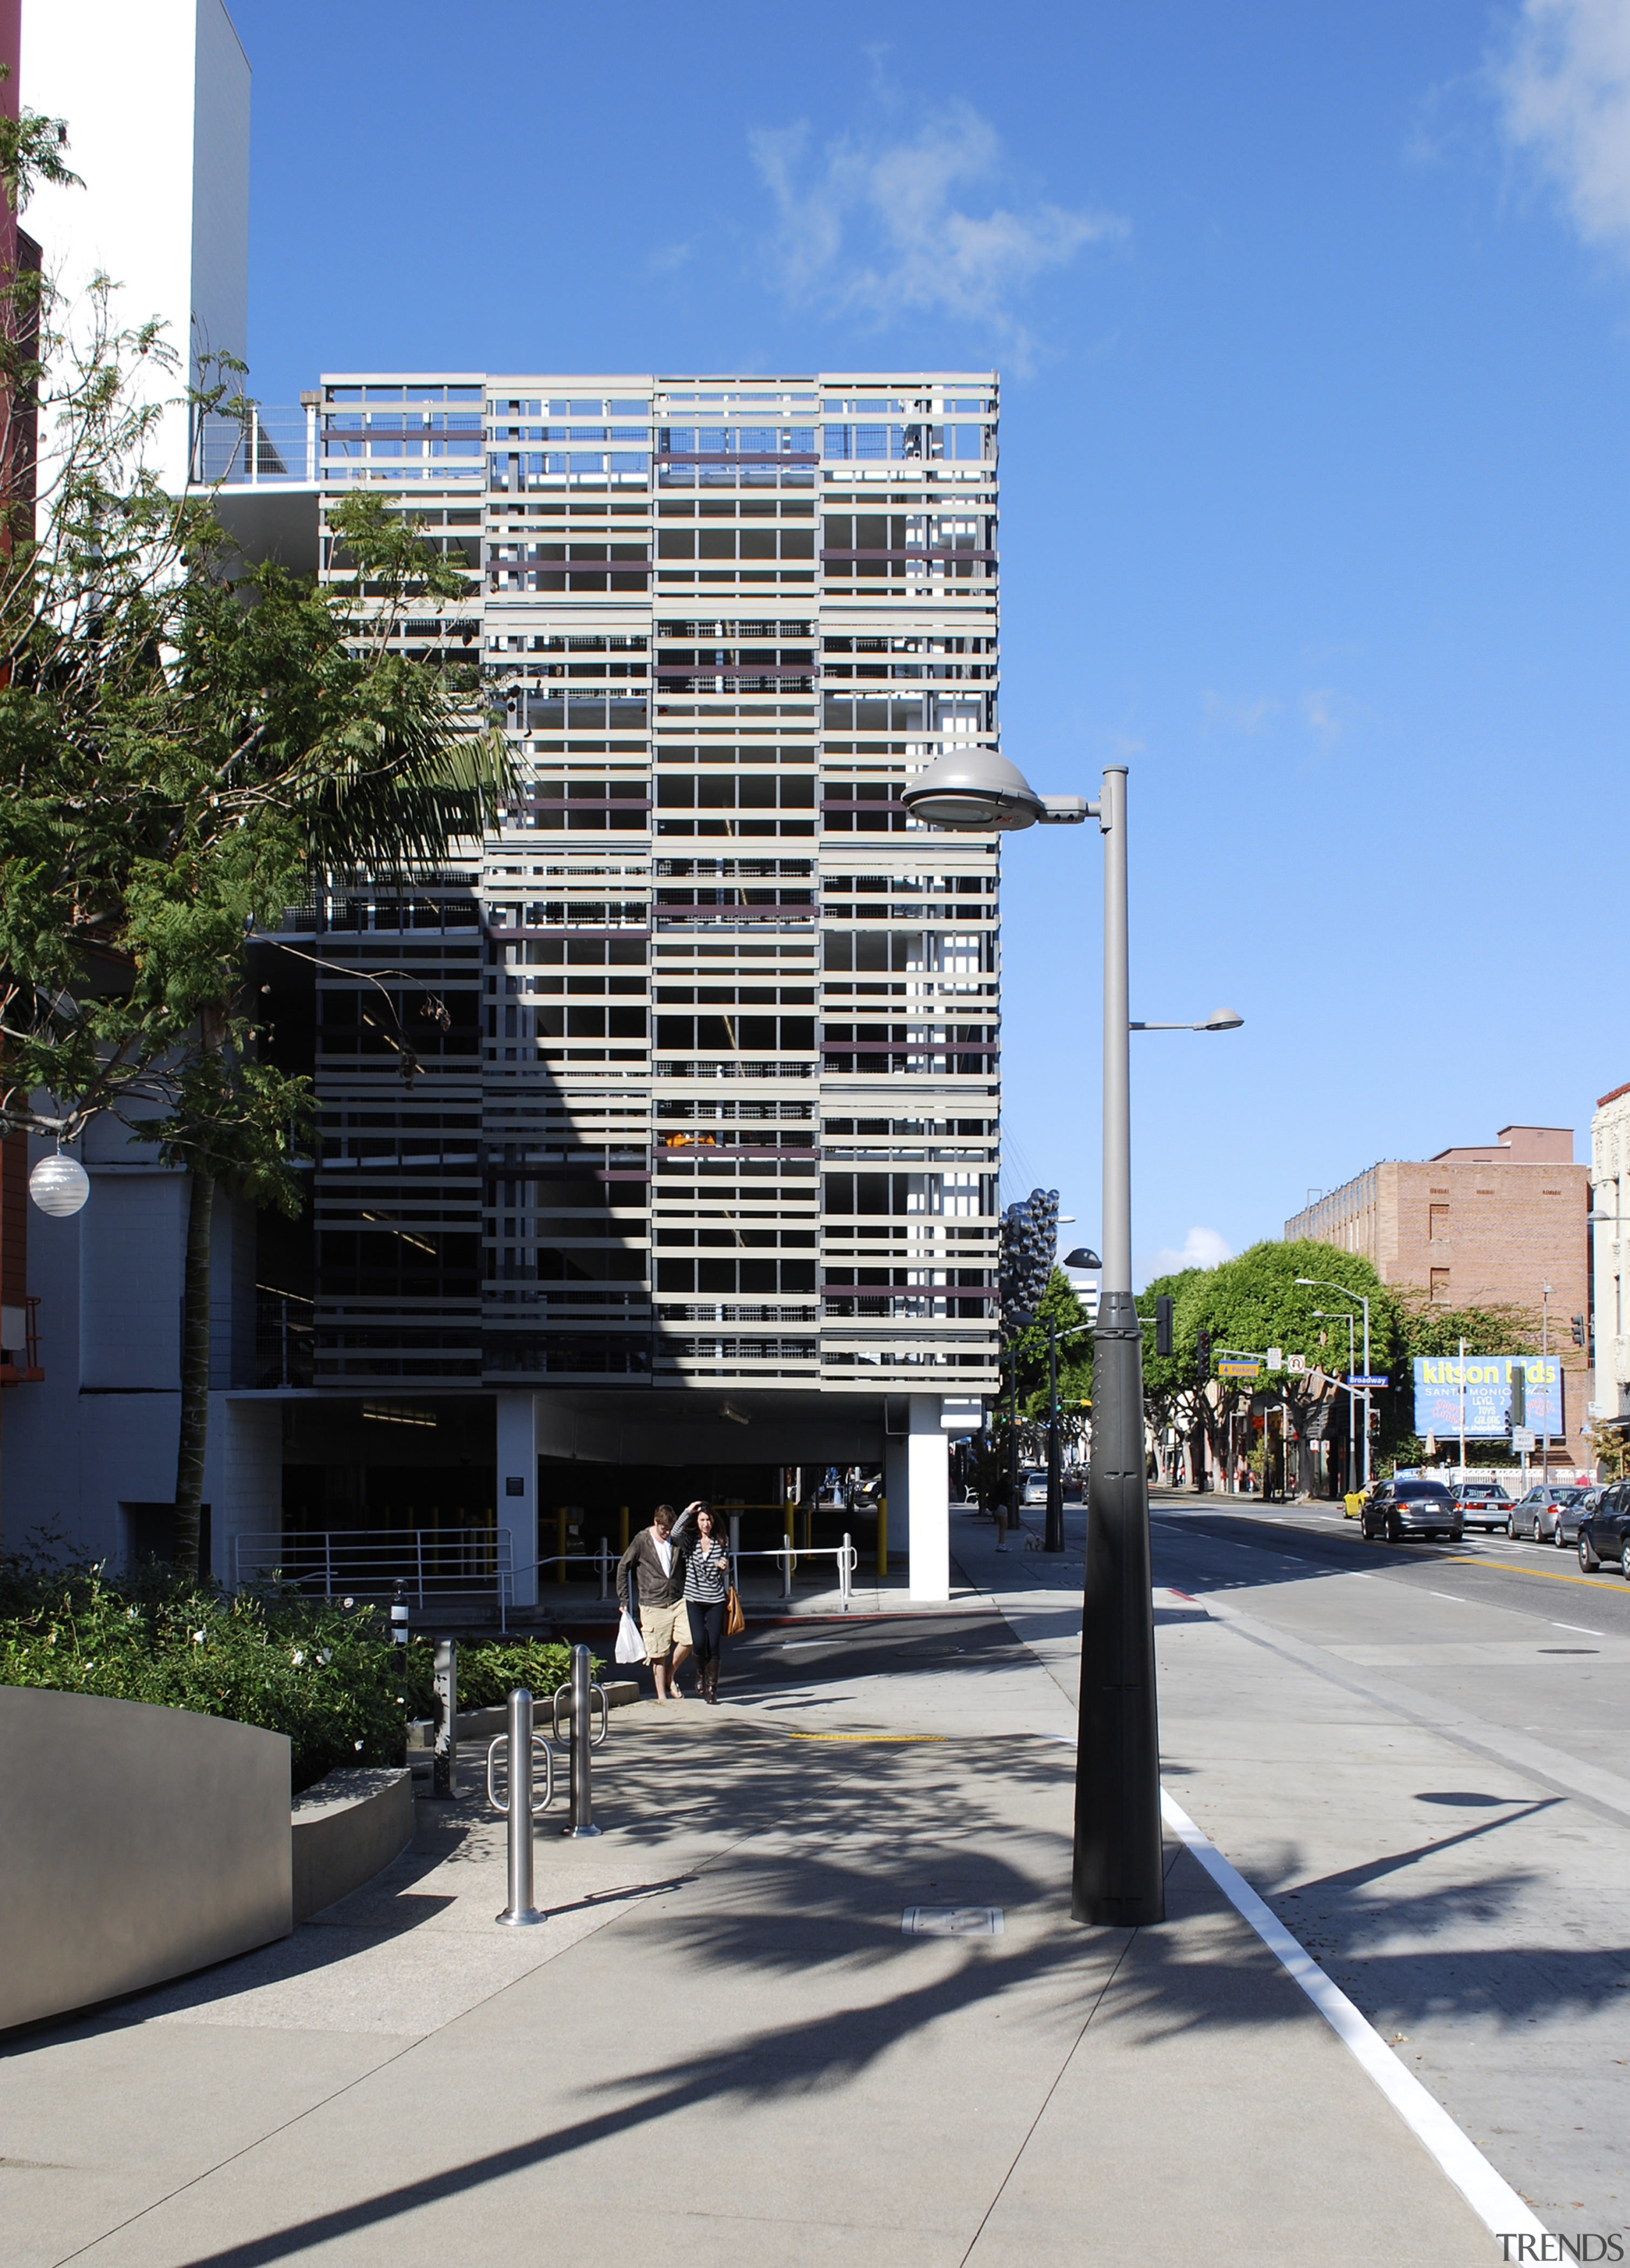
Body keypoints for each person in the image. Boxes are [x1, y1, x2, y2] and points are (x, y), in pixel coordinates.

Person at [616, 1502, 693, 1702]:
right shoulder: (642, 1540)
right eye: (663, 1529)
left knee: (690, 1638)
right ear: (655, 1523)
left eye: (670, 1528)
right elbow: (623, 1567)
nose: (667, 1533)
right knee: (658, 1654)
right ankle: (662, 1698)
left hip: (677, 1599)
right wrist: (624, 1598)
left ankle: (670, 1675)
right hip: (653, 1603)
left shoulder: (675, 1539)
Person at [683, 1502, 731, 1704]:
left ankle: (712, 1689)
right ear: (697, 1521)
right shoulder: (690, 1541)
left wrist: (723, 1566)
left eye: (709, 1519)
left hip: (715, 1599)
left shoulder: (721, 1542)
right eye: (702, 1520)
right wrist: (689, 1510)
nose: (706, 1523)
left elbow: (721, 1571)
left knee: (714, 1644)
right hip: (694, 1598)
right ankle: (700, 1672)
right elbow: (676, 1533)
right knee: (699, 1641)